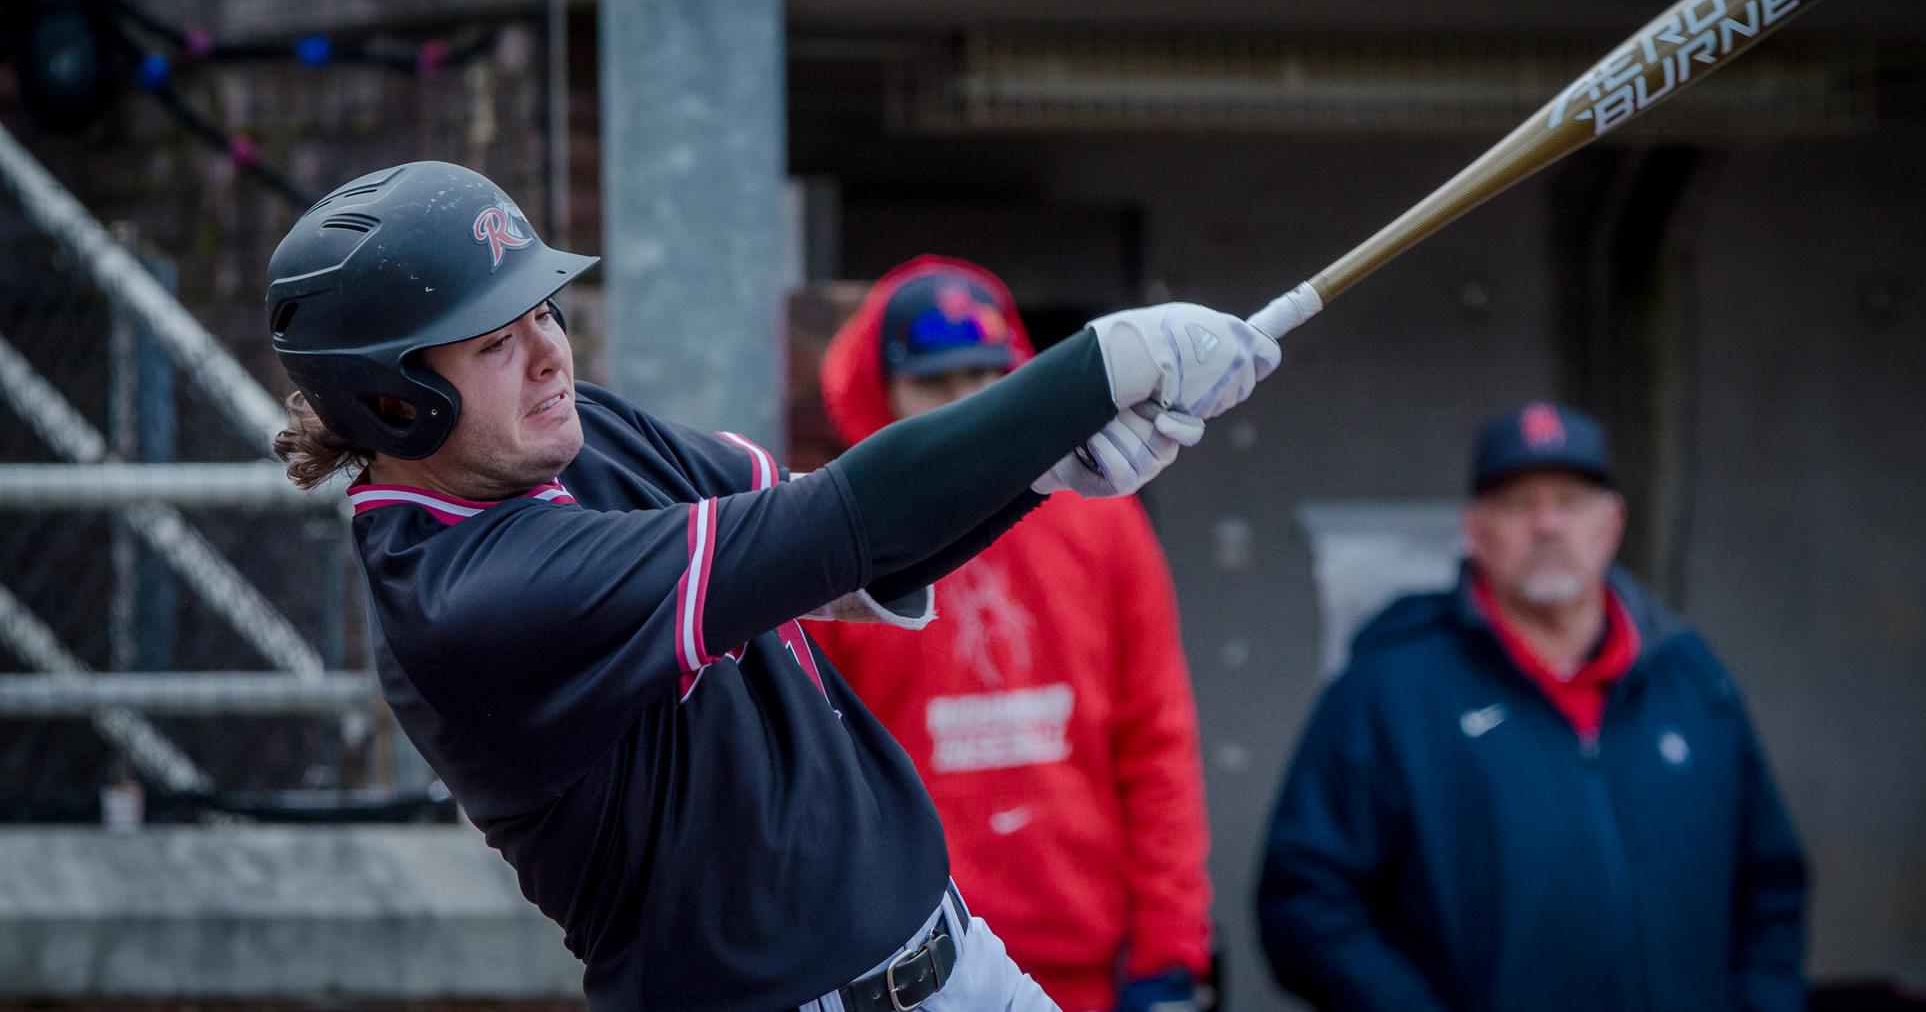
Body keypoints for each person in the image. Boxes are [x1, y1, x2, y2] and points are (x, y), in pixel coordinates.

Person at [264, 161, 1279, 1012]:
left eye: (543, 312)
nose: (548, 356)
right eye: (495, 342)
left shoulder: (554, 432)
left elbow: (844, 554)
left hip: (962, 964)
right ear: (394, 402)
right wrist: (1098, 367)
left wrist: (1042, 469)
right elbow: (834, 521)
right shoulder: (468, 601)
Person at [1256, 402, 1808, 1012]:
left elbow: (1771, 885)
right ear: (1475, 532)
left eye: (1569, 502)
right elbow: (1303, 901)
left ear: (1611, 524)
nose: (1547, 525)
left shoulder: (1692, 682)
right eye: (1519, 504)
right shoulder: (1391, 689)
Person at [811, 257, 1214, 1012]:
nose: (968, 406)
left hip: (1090, 974)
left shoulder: (1106, 526)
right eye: (934, 382)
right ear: (882, 394)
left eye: (986, 376)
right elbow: (812, 783)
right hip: (904, 981)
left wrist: (1168, 950)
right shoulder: (839, 549)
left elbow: (1157, 741)